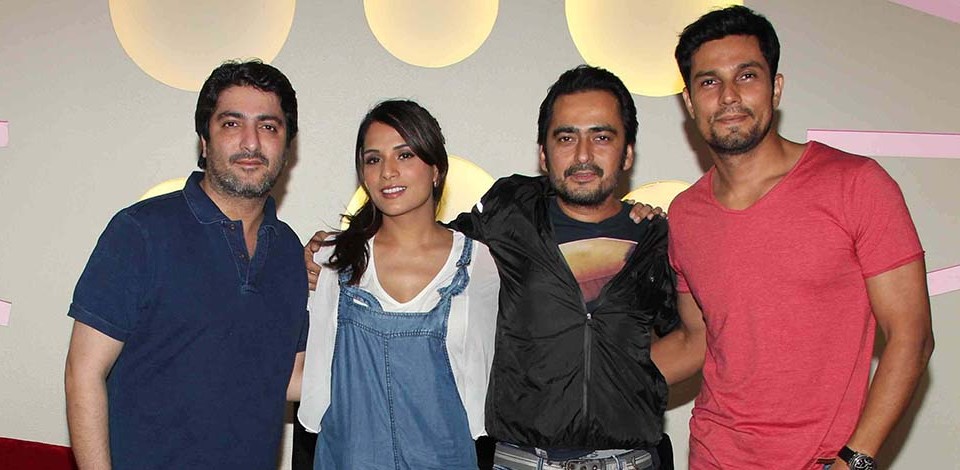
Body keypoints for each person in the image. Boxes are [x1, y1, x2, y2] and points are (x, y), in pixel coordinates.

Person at [306, 65, 706, 470]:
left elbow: (693, 339)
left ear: (628, 152)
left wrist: (623, 375)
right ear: (543, 153)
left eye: (601, 137)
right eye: (566, 137)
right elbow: (426, 241)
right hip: (520, 460)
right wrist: (340, 251)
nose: (583, 154)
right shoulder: (509, 214)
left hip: (629, 461)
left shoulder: (655, 237)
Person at [668, 6, 935, 469]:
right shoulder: (685, 214)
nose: (729, 96)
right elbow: (696, 341)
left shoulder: (856, 184)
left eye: (746, 76)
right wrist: (581, 375)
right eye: (709, 82)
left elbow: (911, 335)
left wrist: (854, 461)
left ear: (775, 88)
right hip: (712, 456)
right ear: (690, 103)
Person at [64, 60, 308, 469]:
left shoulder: (288, 251)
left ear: (287, 145)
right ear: (204, 141)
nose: (251, 142)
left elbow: (287, 379)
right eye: (232, 123)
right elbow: (83, 373)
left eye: (268, 126)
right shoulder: (140, 231)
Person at [295, 100, 500, 469]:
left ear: (436, 169)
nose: (388, 172)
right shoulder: (332, 259)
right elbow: (314, 386)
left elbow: (479, 394)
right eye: (373, 159)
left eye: (404, 155)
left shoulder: (479, 263)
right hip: (349, 458)